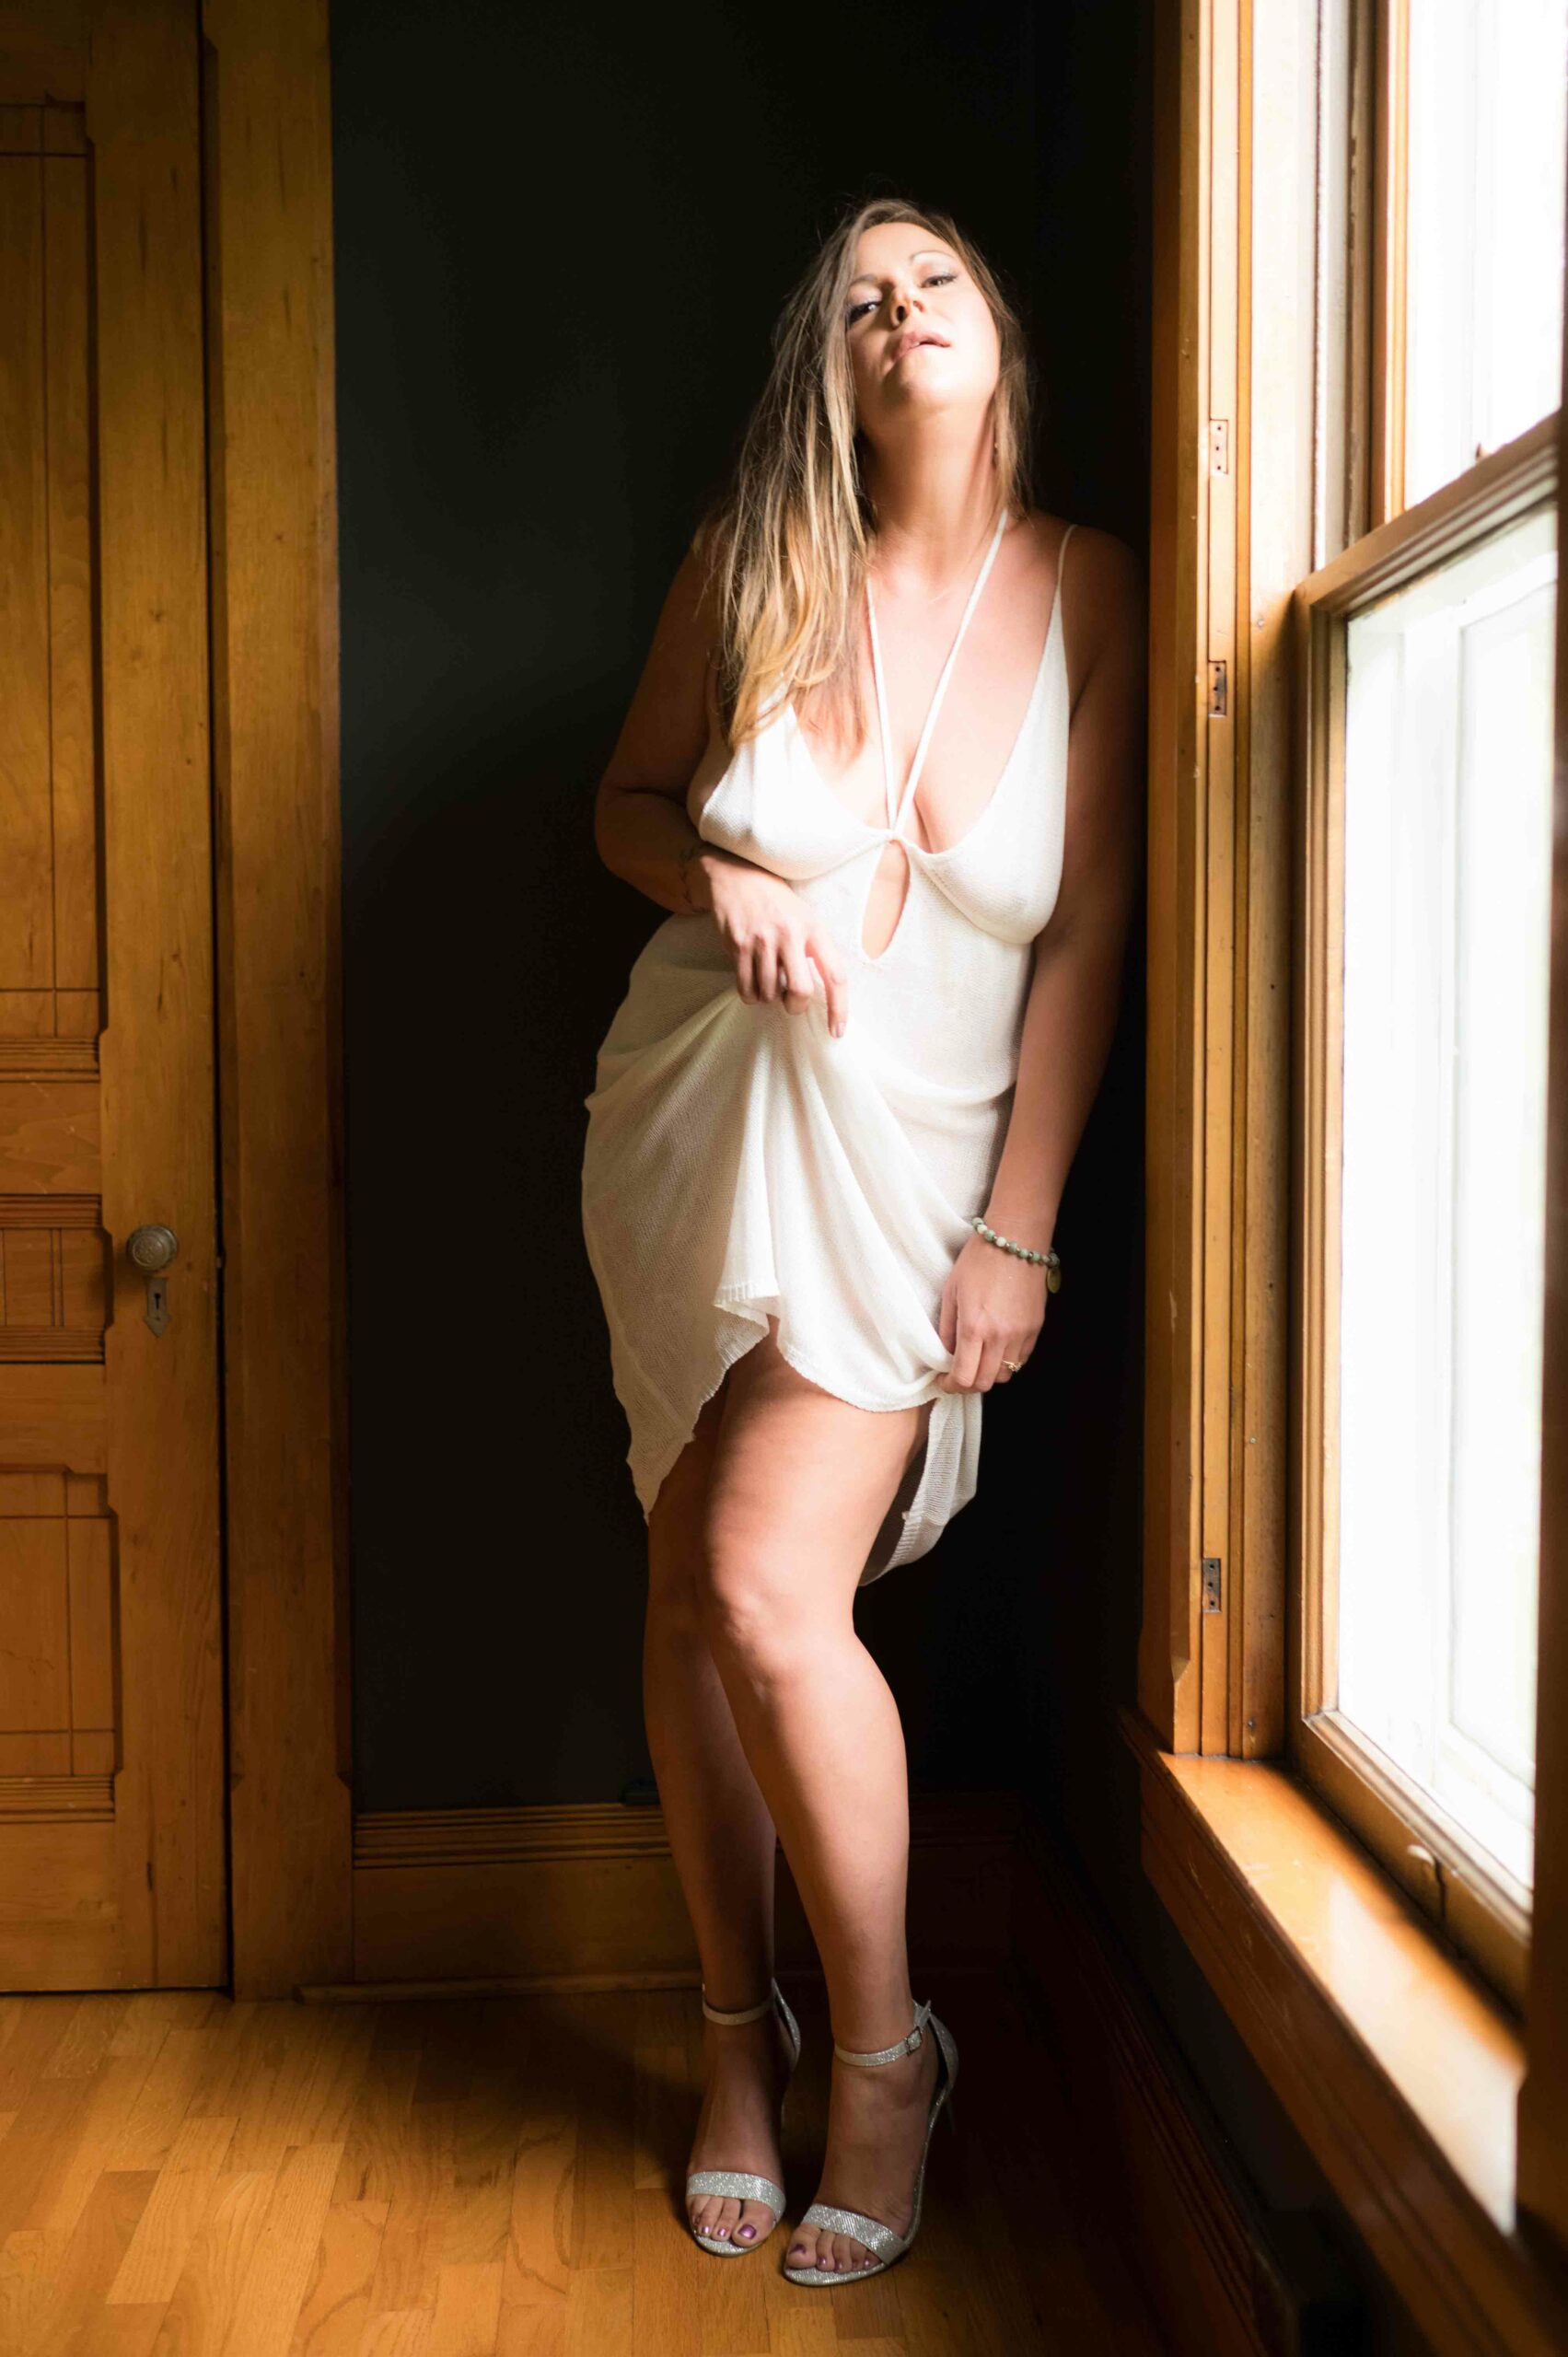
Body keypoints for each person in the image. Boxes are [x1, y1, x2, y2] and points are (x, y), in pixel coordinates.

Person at [581, 192, 1144, 2285]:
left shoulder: (1098, 588)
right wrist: (710, 883)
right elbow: (628, 804)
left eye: (933, 283)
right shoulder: (754, 569)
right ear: (829, 365)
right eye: (856, 299)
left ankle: (887, 2055)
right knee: (686, 1592)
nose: (898, 313)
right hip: (691, 1138)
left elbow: (1085, 936)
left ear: (997, 325)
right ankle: (741, 2040)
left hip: (921, 1174)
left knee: (761, 1580)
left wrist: (1025, 1231)